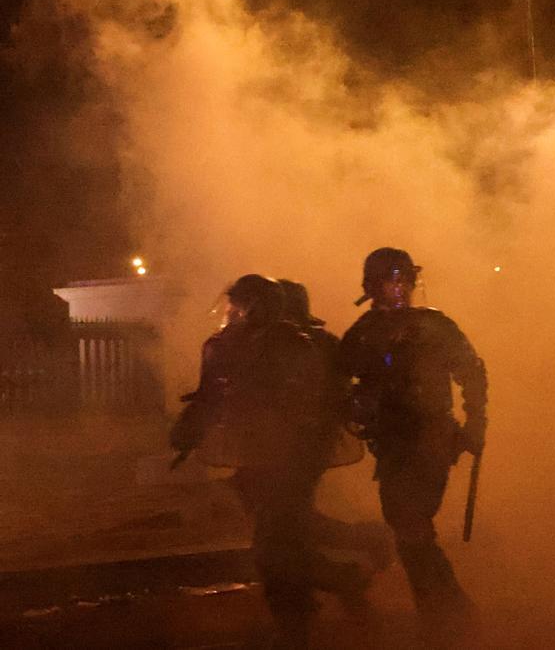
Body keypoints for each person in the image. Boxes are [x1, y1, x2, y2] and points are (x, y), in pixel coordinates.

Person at [170, 274, 369, 648]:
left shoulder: (293, 346)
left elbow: (306, 405)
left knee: (276, 551)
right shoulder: (247, 345)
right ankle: (332, 588)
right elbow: (217, 395)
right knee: (287, 542)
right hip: (265, 456)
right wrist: (190, 431)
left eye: (238, 306)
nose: (232, 314)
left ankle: (305, 618)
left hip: (291, 458)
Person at [338, 248, 486, 636]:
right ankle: (443, 609)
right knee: (406, 528)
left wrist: (476, 420)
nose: (401, 288)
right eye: (392, 280)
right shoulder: (363, 333)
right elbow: (337, 379)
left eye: (406, 279)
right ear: (373, 286)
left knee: (410, 523)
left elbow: (471, 369)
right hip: (390, 446)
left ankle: (446, 612)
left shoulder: (435, 325)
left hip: (432, 439)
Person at [277, 280, 392, 572]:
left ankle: (346, 566)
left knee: (287, 517)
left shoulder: (317, 344)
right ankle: (343, 566)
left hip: (305, 440)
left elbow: (335, 391)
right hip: (280, 440)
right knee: (285, 517)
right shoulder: (279, 343)